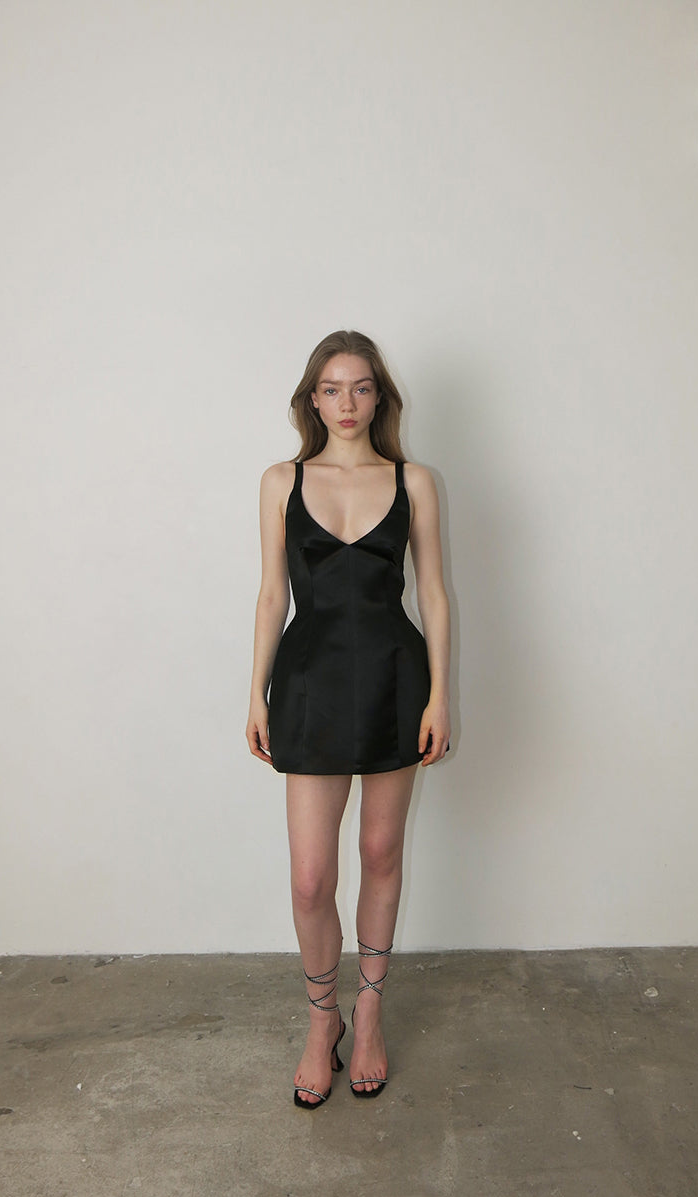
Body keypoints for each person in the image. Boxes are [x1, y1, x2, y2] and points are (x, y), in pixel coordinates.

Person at [246, 330, 450, 1108]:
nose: (347, 403)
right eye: (332, 389)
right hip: (309, 684)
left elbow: (433, 594)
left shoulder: (414, 481)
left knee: (380, 850)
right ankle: (320, 1018)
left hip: (396, 678)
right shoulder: (281, 480)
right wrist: (256, 692)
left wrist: (440, 695)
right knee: (310, 879)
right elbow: (273, 594)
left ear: (380, 397)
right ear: (312, 399)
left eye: (361, 387)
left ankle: (369, 1013)